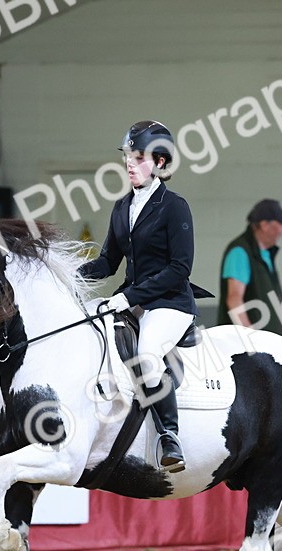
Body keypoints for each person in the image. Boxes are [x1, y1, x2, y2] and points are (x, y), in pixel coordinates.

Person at [79, 120, 210, 474]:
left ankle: (169, 436)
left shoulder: (174, 207)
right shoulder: (122, 207)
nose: (130, 164)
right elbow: (108, 262)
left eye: (139, 158)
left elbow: (179, 268)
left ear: (161, 164)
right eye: (128, 157)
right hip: (133, 299)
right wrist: (67, 275)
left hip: (170, 302)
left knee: (147, 352)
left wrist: (130, 297)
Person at [217, 199, 282, 337]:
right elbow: (234, 299)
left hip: (268, 345)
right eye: (281, 223)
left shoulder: (265, 253)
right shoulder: (240, 252)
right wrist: (251, 341)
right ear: (265, 225)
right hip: (248, 349)